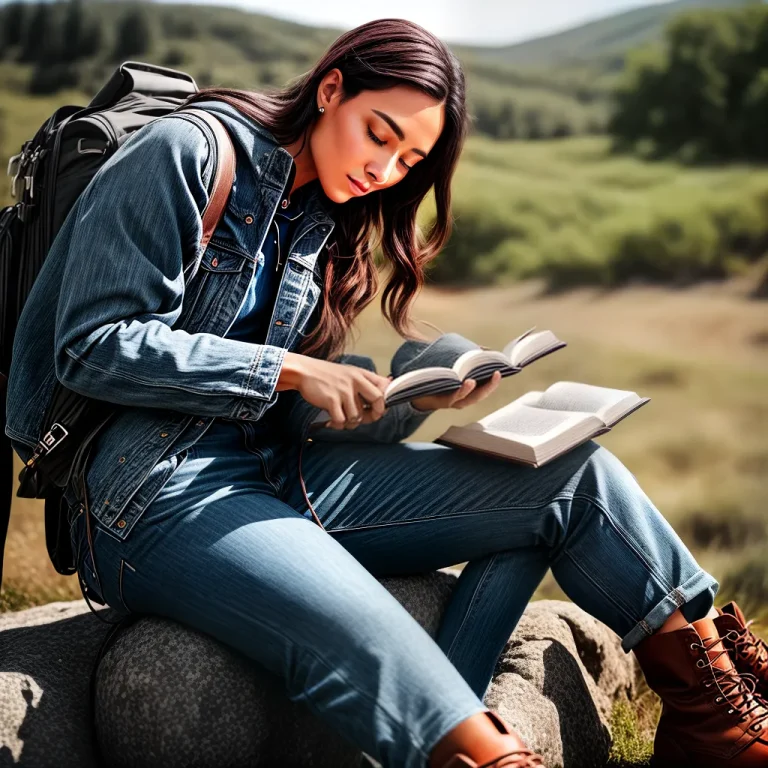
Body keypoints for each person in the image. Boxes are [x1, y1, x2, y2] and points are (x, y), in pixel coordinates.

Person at [6, 17, 768, 768]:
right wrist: (290, 370)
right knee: (362, 624)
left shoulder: (321, 215)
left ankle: (718, 719)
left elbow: (297, 408)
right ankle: (487, 753)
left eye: (411, 158)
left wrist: (408, 397)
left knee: (576, 481)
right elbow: (92, 346)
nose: (387, 170)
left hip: (284, 470)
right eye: (380, 134)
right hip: (149, 497)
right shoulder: (188, 153)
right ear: (331, 88)